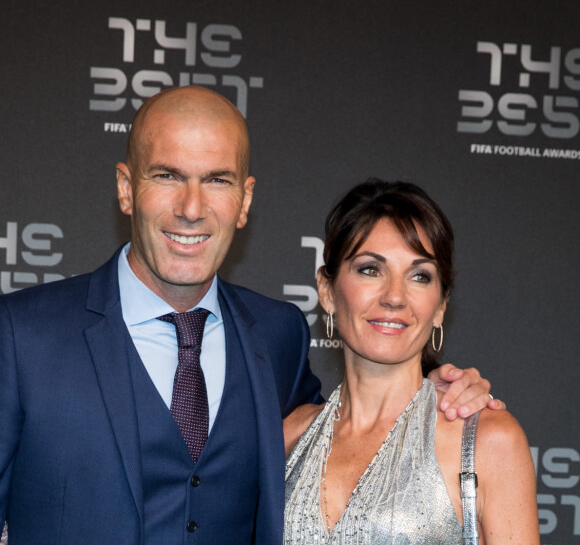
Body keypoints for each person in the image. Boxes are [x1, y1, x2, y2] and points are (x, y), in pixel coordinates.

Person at [0, 87, 498, 545]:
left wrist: (438, 393)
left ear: (246, 200)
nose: (191, 208)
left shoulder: (277, 334)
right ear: (127, 188)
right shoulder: (22, 336)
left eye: (217, 180)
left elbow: (355, 433)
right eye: (167, 175)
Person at [284, 180, 539, 544]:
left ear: (440, 308)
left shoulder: (488, 440)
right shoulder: (288, 437)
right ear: (327, 290)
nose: (394, 297)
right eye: (371, 269)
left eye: (420, 276)